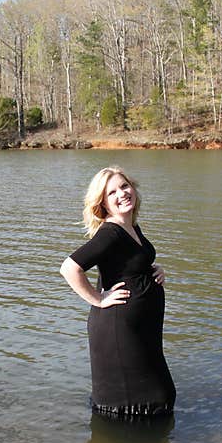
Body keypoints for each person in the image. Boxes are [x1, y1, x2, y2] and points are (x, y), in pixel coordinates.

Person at [60, 166, 176, 417]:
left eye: (125, 186)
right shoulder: (109, 234)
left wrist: (154, 268)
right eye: (112, 192)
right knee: (144, 398)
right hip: (119, 329)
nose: (122, 194)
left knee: (160, 394)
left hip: (140, 330)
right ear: (102, 202)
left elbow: (130, 262)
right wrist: (99, 299)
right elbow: (70, 268)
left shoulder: (131, 227)